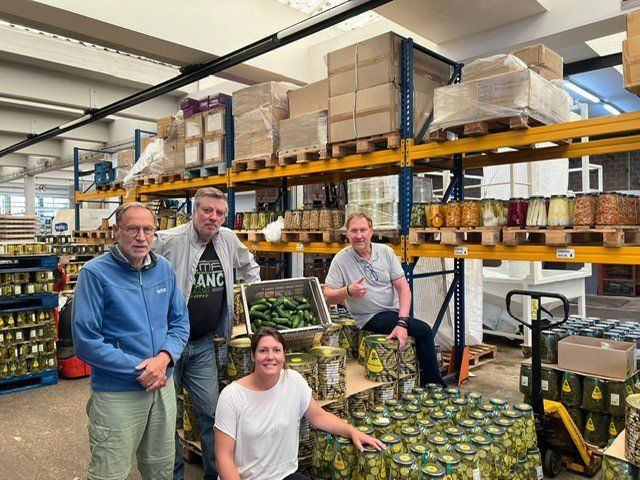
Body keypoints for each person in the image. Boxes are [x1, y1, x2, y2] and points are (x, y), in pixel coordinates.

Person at [72, 202, 190, 480]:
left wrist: (164, 358)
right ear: (116, 231)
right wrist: (142, 370)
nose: (141, 237)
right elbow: (86, 341)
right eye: (133, 229)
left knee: (161, 468)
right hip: (118, 393)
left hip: (162, 387)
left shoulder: (164, 269)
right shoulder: (95, 274)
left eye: (148, 230)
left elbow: (180, 322)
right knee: (110, 472)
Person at [153, 187, 260, 480]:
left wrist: (253, 298)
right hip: (166, 347)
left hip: (202, 344)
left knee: (213, 414)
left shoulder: (227, 239)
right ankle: (174, 474)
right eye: (207, 210)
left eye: (220, 213)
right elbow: (135, 262)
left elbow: (249, 266)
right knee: (166, 417)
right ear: (195, 211)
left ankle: (216, 474)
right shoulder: (169, 240)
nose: (213, 218)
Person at [214, 328, 384, 480]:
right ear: (253, 356)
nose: (270, 357)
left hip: (285, 475)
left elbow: (320, 417)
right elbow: (223, 456)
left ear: (284, 355)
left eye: (276, 350)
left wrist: (353, 432)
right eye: (263, 351)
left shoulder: (294, 381)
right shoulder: (232, 395)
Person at [323, 212, 445, 387]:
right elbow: (327, 295)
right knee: (424, 331)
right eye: (354, 231)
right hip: (369, 317)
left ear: (371, 231)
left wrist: (402, 323)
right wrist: (347, 291)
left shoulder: (386, 252)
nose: (359, 235)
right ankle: (434, 386)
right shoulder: (341, 259)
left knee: (417, 331)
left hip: (392, 313)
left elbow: (404, 289)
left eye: (363, 230)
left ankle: (420, 382)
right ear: (347, 233)